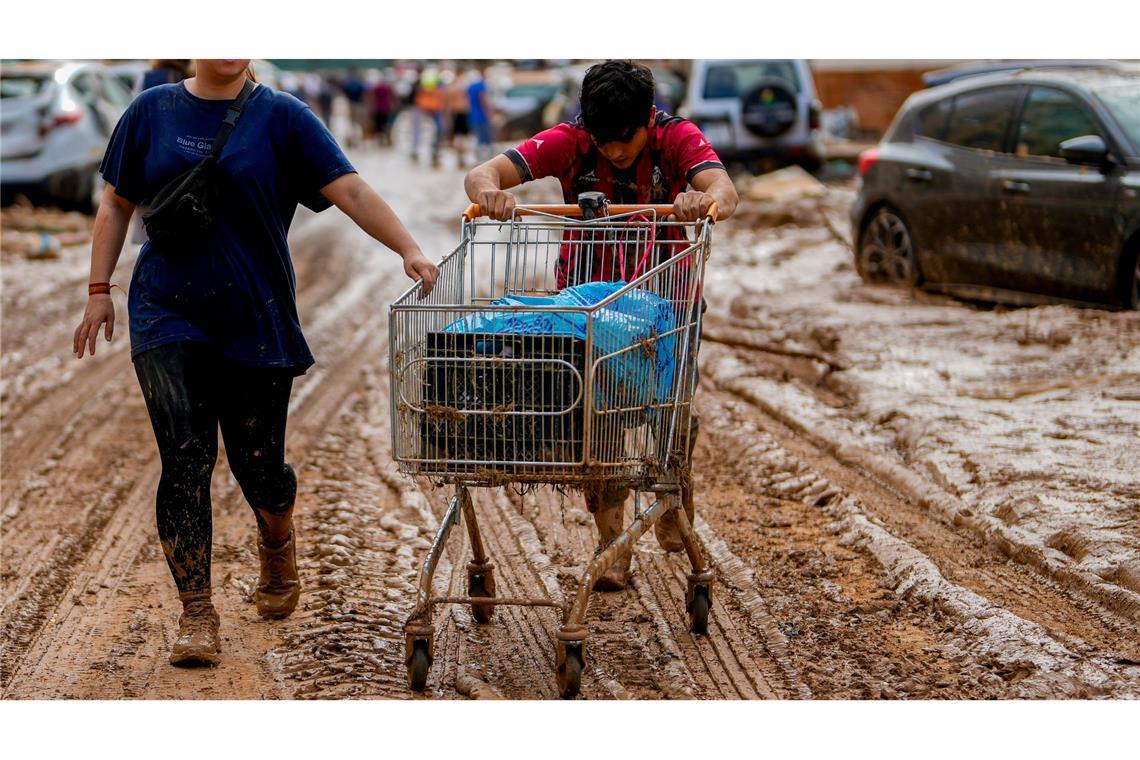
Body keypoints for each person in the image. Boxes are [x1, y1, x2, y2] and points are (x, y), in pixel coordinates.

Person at [72, 59, 438, 667]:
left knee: (259, 465)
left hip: (255, 311)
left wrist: (409, 248)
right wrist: (97, 290)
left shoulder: (284, 117)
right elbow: (116, 204)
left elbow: (348, 188)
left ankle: (276, 533)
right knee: (185, 457)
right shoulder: (150, 111)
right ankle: (197, 612)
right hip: (166, 308)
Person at [463, 60, 738, 591]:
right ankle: (613, 546)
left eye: (626, 140)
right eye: (604, 139)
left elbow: (724, 189)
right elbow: (483, 172)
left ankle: (675, 480)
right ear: (586, 125)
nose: (614, 151)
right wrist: (489, 192)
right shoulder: (570, 141)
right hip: (587, 308)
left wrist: (702, 200)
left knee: (669, 410)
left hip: (665, 302)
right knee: (599, 418)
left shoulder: (677, 137)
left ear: (648, 120)